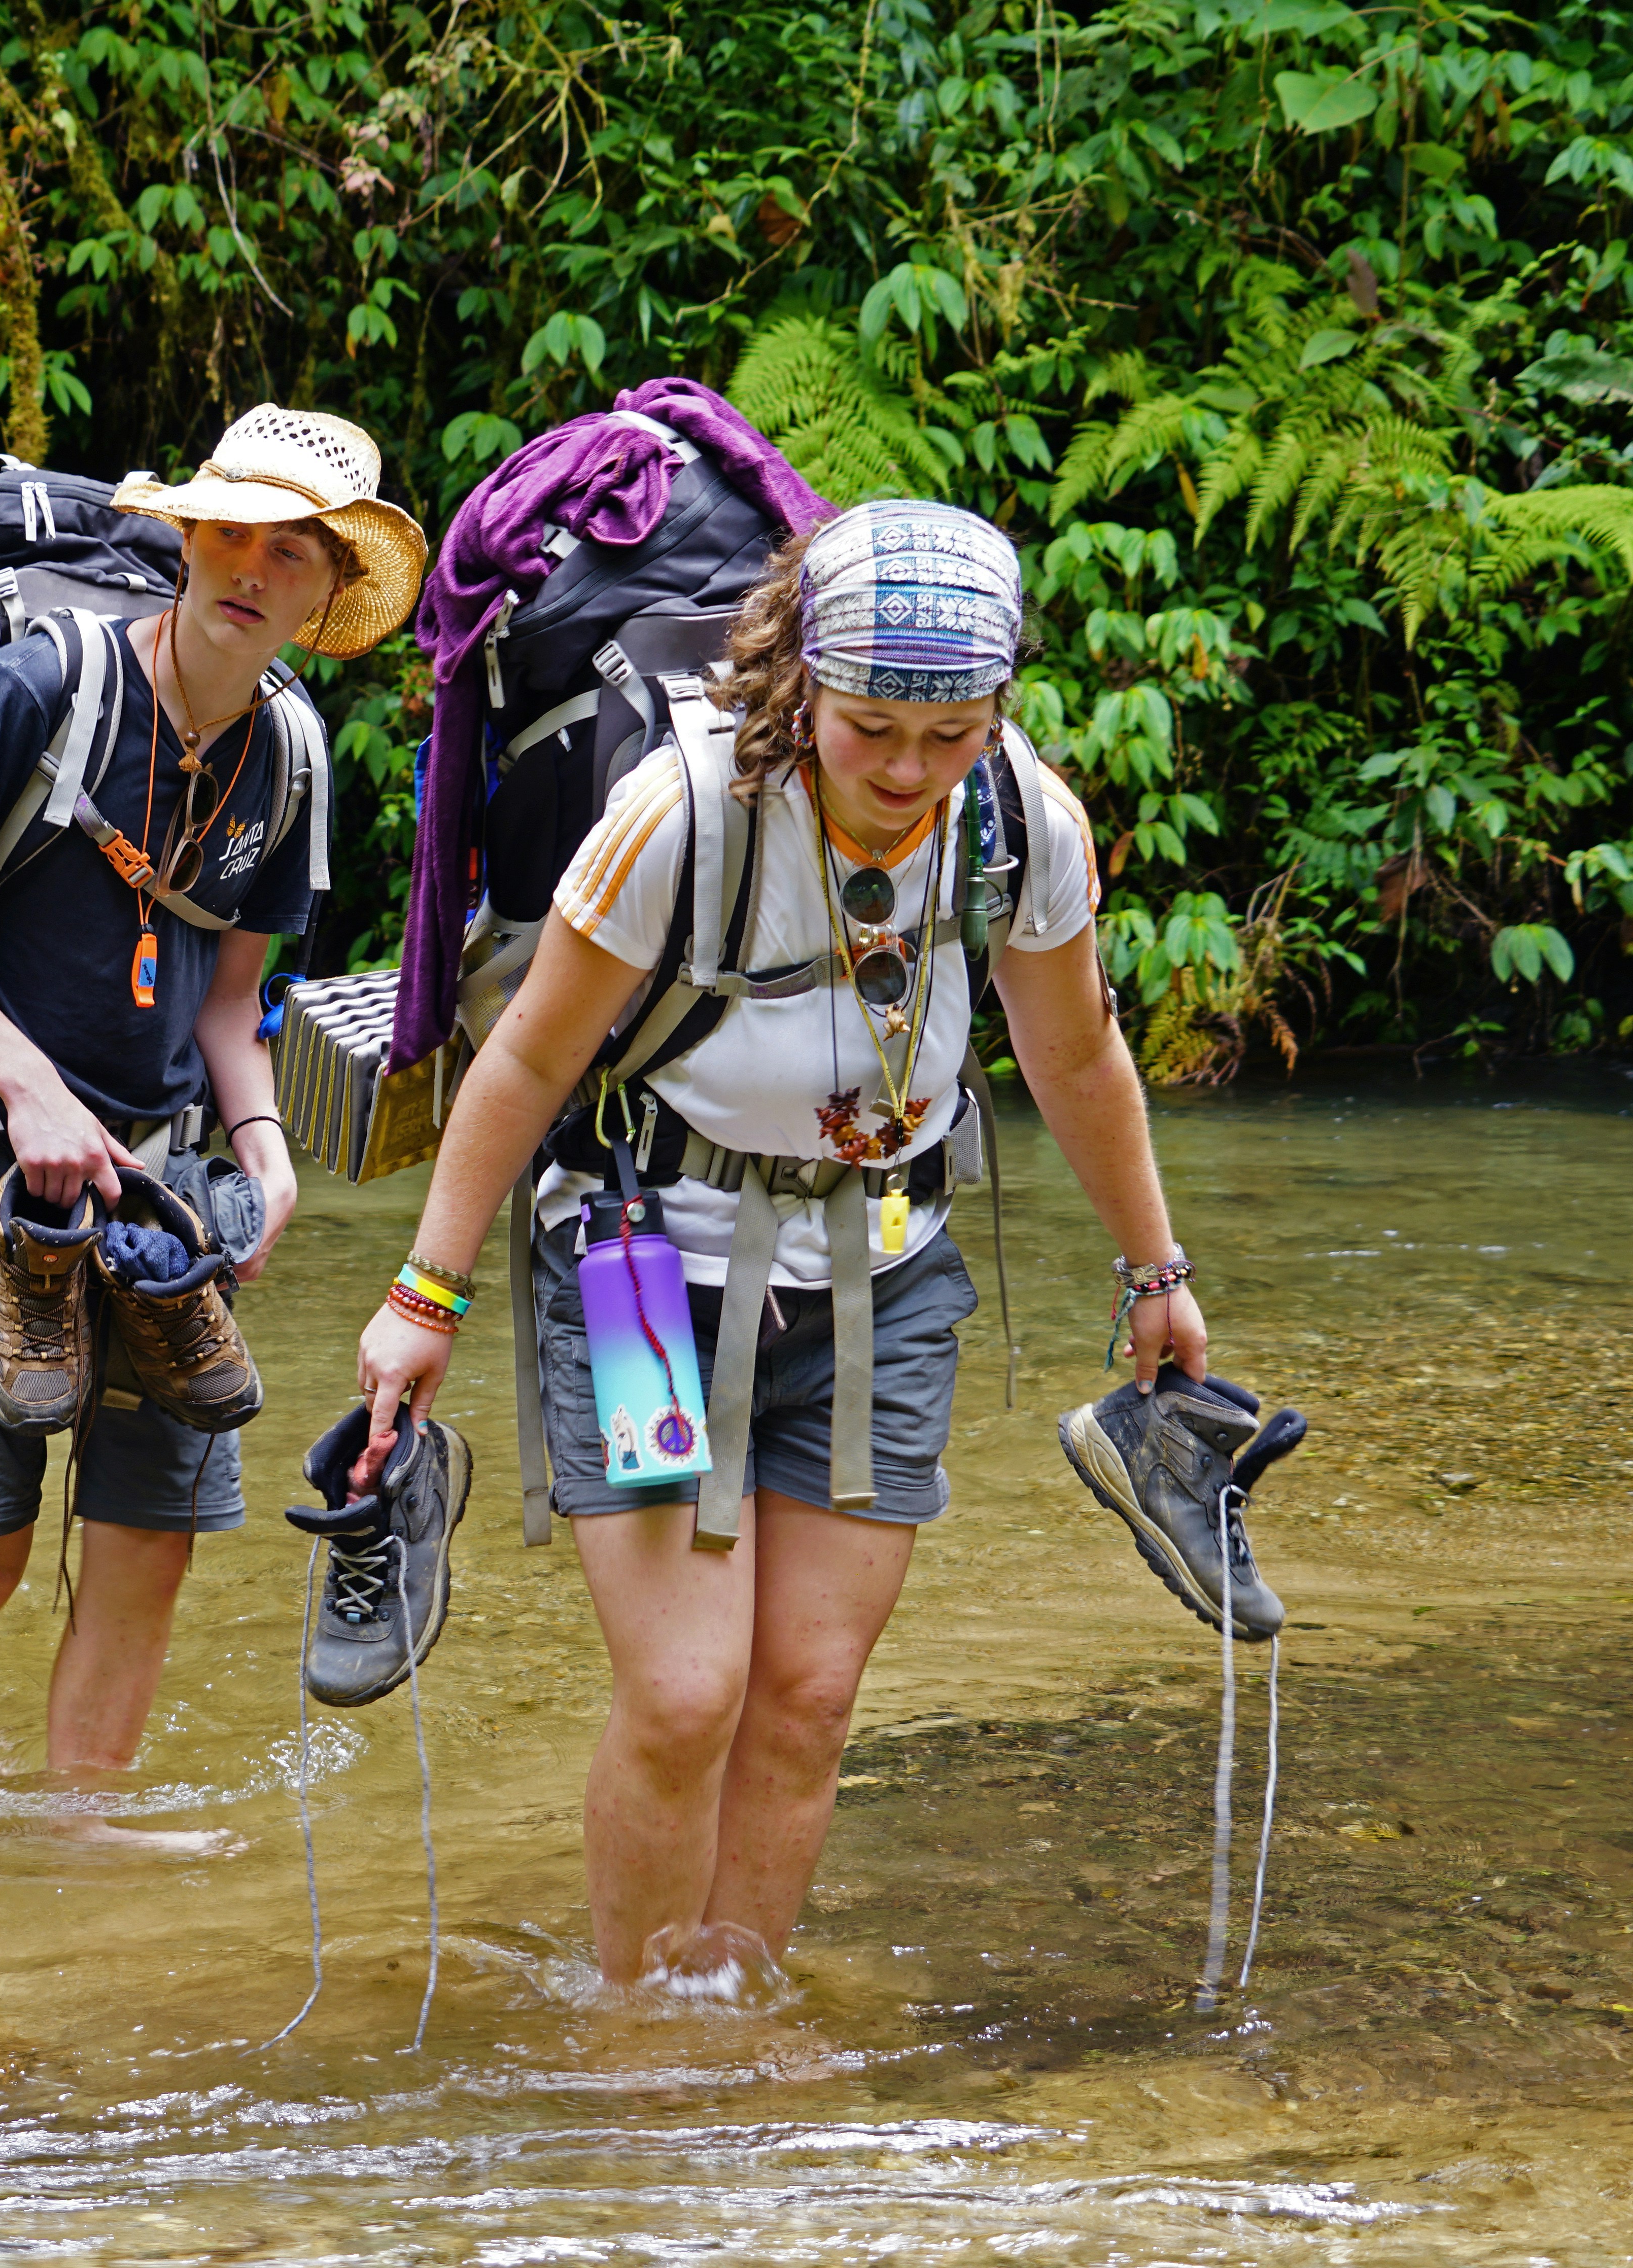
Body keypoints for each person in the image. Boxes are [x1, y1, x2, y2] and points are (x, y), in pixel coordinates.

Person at [349, 498, 1210, 1983]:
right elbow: (526, 1065)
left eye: (949, 738)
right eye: (870, 729)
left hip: (887, 1282)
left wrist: (1156, 1272)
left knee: (805, 1699)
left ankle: (728, 2012)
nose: (906, 774)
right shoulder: (680, 816)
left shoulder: (1020, 820)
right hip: (641, 1279)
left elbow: (1075, 1060)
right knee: (687, 1695)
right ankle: (629, 2027)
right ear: (799, 680)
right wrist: (423, 1296)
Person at [0, 405, 425, 1850]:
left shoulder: (291, 758)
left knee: (146, 1547)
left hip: (159, 1182)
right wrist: (27, 1086)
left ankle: (74, 1847)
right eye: (229, 530)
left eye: (292, 550)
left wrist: (262, 1146)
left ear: (323, 591)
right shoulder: (42, 685)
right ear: (184, 539)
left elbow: (233, 1005)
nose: (251, 566)